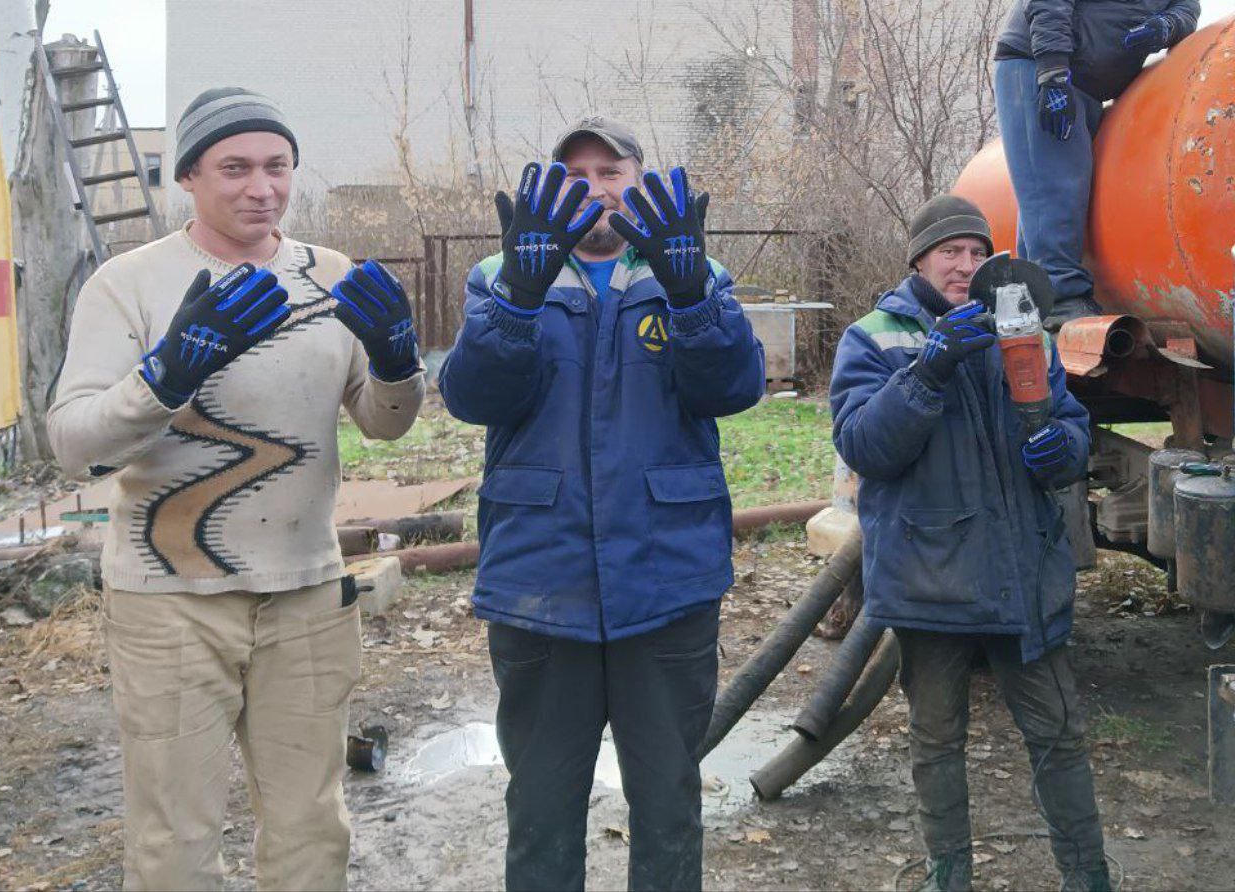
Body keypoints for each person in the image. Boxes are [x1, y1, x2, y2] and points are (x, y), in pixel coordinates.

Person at [47, 87, 426, 891]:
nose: (262, 187)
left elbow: (385, 423)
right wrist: (167, 374)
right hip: (169, 600)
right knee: (175, 842)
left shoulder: (331, 278)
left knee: (311, 829)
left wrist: (397, 361)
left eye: (278, 166)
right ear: (188, 175)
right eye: (235, 168)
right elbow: (72, 446)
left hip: (306, 596)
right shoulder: (131, 284)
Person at [438, 115, 765, 891]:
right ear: (552, 190)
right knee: (544, 809)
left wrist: (692, 300)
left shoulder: (695, 272)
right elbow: (473, 396)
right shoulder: (502, 273)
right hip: (540, 586)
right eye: (576, 174)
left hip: (668, 580)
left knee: (668, 802)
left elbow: (733, 388)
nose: (594, 187)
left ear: (641, 184)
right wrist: (518, 294)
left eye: (611, 172)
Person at [829, 195, 1110, 892]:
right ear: (919, 257)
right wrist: (928, 371)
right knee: (936, 741)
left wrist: (1061, 450)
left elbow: (1073, 427)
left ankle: (1088, 876)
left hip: (1023, 572)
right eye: (951, 251)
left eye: (978, 253)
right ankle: (947, 875)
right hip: (932, 578)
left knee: (1060, 735)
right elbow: (866, 445)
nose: (966, 265)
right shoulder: (877, 336)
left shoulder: (1023, 327)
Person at [994, 0, 1200, 330]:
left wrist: (1167, 27)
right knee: (1056, 186)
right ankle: (1061, 299)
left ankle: (1038, 293)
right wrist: (1053, 72)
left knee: (1059, 187)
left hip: (1089, 85)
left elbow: (1188, 8)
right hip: (1041, 64)